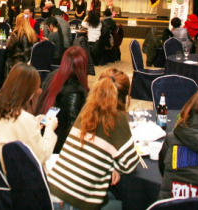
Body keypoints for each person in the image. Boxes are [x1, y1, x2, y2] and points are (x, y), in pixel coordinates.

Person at [48, 68, 139, 210]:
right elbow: (130, 164)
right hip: (76, 201)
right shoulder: (118, 118)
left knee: (112, 198)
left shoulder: (87, 110)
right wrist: (112, 167)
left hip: (53, 190)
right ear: (126, 98)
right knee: (128, 205)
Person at [0, 62, 57, 172]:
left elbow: (11, 130)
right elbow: (42, 155)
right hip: (22, 174)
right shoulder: (24, 119)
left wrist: (35, 123)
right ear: (29, 91)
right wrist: (50, 129)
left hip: (2, 167)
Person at [37, 46, 88, 153]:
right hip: (59, 147)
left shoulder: (53, 77)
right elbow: (74, 129)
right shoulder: (75, 91)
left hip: (44, 137)